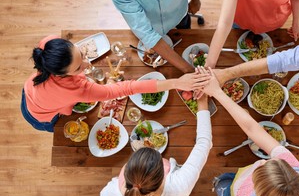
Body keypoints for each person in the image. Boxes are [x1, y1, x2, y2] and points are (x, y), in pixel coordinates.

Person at [21, 35, 210, 132]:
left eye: (82, 54)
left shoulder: (48, 45)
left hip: (30, 90)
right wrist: (176, 82)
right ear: (60, 74)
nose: (88, 64)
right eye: (79, 67)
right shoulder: (78, 90)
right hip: (40, 115)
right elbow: (128, 88)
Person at [197, 66, 299, 196]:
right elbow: (252, 128)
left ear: (256, 190)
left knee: (221, 185)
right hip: (242, 178)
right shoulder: (294, 170)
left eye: (262, 166)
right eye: (269, 161)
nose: (262, 161)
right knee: (227, 178)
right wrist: (217, 92)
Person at [99, 94, 212, 196]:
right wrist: (202, 100)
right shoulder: (180, 184)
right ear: (162, 174)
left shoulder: (109, 195)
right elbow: (204, 143)